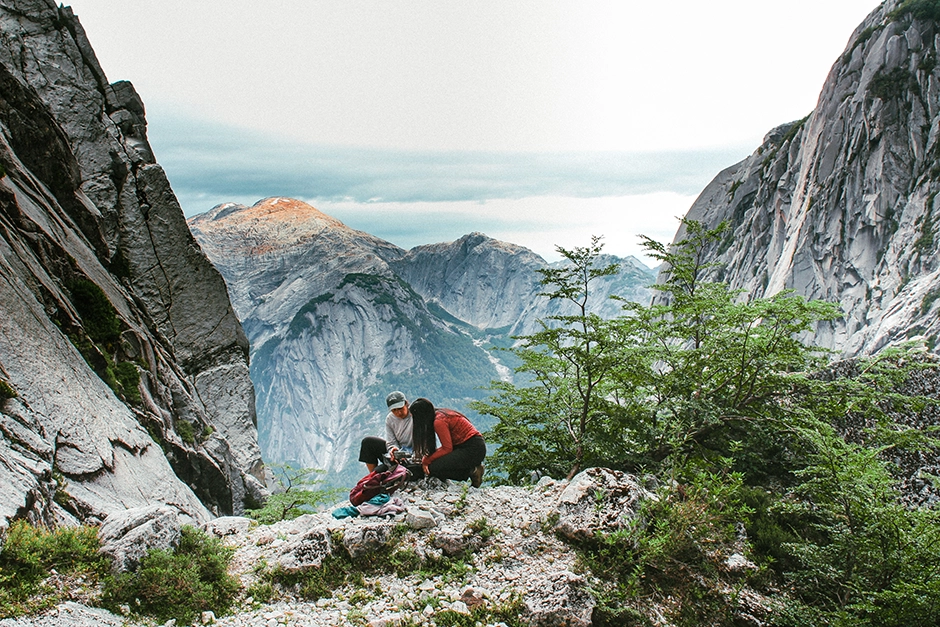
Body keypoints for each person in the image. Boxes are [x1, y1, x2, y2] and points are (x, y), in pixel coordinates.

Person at [410, 397, 485, 487]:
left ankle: (472, 470)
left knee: (433, 469)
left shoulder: (439, 421)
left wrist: (427, 460)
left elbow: (447, 448)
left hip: (473, 449)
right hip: (466, 445)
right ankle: (470, 470)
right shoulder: (439, 414)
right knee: (435, 464)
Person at [358, 391, 414, 473]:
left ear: (406, 404)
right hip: (399, 453)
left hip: (414, 454)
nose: (398, 412)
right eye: (394, 410)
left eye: (400, 408)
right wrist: (393, 450)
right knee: (368, 442)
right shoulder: (390, 419)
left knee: (381, 470)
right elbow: (391, 442)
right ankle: (373, 475)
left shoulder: (415, 414)